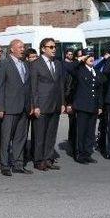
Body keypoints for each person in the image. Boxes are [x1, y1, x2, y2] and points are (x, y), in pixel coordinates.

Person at [0, 39, 32, 176]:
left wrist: (31, 105)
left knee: (20, 137)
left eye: (24, 47)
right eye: (20, 47)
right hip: (9, 107)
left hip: (24, 108)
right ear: (12, 49)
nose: (23, 49)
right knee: (6, 138)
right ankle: (5, 164)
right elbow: (0, 87)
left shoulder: (25, 64)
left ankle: (18, 164)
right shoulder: (5, 64)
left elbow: (28, 87)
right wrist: (0, 107)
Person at [30, 38, 65, 171]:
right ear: (43, 49)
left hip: (55, 104)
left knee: (51, 134)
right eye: (50, 47)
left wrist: (62, 102)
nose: (54, 49)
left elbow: (60, 84)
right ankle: (39, 160)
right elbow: (33, 87)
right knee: (40, 135)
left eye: (54, 46)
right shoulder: (36, 64)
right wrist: (35, 105)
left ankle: (48, 158)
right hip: (42, 105)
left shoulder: (57, 63)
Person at [66, 50, 103, 164]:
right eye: (88, 56)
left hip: (93, 106)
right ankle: (80, 154)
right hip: (82, 106)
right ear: (84, 59)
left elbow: (99, 90)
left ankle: (87, 153)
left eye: (92, 56)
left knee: (90, 132)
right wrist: (79, 59)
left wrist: (100, 105)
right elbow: (69, 68)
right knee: (81, 131)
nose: (91, 58)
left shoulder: (95, 71)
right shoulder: (79, 70)